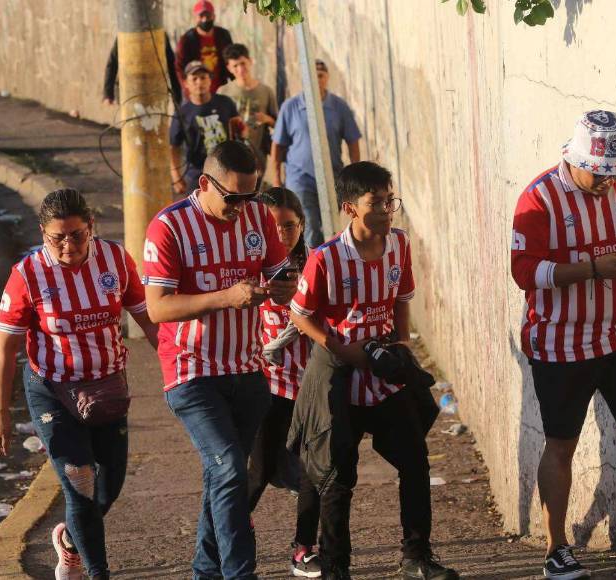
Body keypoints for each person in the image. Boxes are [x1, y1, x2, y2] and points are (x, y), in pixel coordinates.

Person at [510, 110, 616, 579]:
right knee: (561, 445)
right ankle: (556, 547)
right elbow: (525, 272)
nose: (609, 181)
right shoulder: (539, 198)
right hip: (560, 341)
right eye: (599, 173)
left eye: (615, 171)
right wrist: (591, 269)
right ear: (575, 158)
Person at [289, 161, 459, 580]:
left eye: (389, 200)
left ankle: (416, 556)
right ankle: (334, 567)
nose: (386, 210)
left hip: (385, 378)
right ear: (350, 208)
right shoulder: (327, 258)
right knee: (337, 478)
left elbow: (403, 297)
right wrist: (341, 349)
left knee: (415, 461)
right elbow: (300, 315)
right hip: (341, 380)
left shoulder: (398, 244)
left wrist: (401, 344)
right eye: (376, 203)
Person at [143, 141, 297, 580]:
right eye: (233, 198)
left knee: (223, 476)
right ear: (204, 183)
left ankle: (205, 572)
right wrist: (226, 297)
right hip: (191, 371)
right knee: (230, 466)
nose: (242, 207)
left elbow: (276, 272)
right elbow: (157, 308)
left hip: (247, 370)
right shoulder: (169, 226)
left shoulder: (257, 217)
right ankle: (238, 573)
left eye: (251, 196)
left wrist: (283, 287)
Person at [0, 188, 159, 580]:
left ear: (91, 228)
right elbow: (4, 349)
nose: (68, 245)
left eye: (77, 235)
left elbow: (147, 317)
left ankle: (69, 540)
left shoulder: (115, 259)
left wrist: (177, 366)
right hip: (52, 390)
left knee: (107, 487)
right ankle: (97, 572)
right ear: (43, 234)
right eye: (57, 237)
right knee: (79, 478)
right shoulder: (26, 275)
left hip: (107, 388)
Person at [247, 187, 321, 578]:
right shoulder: (248, 269)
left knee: (314, 472)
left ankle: (304, 548)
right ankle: (229, 537)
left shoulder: (316, 265)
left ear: (301, 224)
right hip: (268, 385)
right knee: (257, 470)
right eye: (273, 228)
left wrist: (305, 303)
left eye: (289, 226)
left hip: (311, 386)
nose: (282, 234)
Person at [271, 59, 361, 248]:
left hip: (332, 177)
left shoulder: (338, 107)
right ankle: (311, 270)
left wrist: (354, 175)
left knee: (329, 225)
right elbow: (278, 146)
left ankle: (325, 266)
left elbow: (353, 140)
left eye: (320, 75)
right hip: (300, 177)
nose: (316, 79)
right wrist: (277, 179)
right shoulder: (291, 107)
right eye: (312, 75)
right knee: (309, 225)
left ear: (326, 78)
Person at [170, 60, 243, 196]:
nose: (199, 82)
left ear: (210, 80)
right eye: (194, 78)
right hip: (197, 175)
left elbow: (238, 130)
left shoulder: (225, 103)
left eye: (203, 78)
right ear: (186, 83)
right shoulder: (182, 113)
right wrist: (175, 175)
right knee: (198, 214)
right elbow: (174, 146)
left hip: (227, 171)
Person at [218, 44, 278, 174]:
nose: (240, 69)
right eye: (235, 66)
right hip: (232, 156)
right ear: (229, 68)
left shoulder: (266, 91)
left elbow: (278, 124)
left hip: (258, 155)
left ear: (250, 61)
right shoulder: (223, 92)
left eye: (243, 63)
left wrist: (266, 119)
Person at [175, 0, 233, 99]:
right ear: (195, 18)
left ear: (214, 16)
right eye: (201, 16)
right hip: (196, 93)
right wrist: (188, 88)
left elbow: (231, 59)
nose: (204, 20)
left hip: (220, 90)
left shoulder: (223, 35)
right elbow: (179, 67)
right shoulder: (186, 40)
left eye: (208, 16)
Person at [103, 35, 182, 106]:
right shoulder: (125, 36)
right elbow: (112, 64)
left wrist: (177, 98)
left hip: (155, 93)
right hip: (128, 94)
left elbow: (171, 67)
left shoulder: (160, 35)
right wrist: (108, 93)